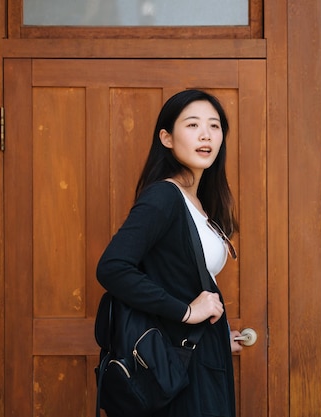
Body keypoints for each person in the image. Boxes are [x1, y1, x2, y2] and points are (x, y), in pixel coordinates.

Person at [97, 89, 243, 417]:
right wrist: (185, 312)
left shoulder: (200, 203)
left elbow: (180, 276)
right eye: (192, 125)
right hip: (176, 363)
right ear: (166, 137)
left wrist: (218, 335)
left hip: (201, 353)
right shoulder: (164, 196)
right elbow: (112, 267)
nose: (206, 134)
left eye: (215, 126)